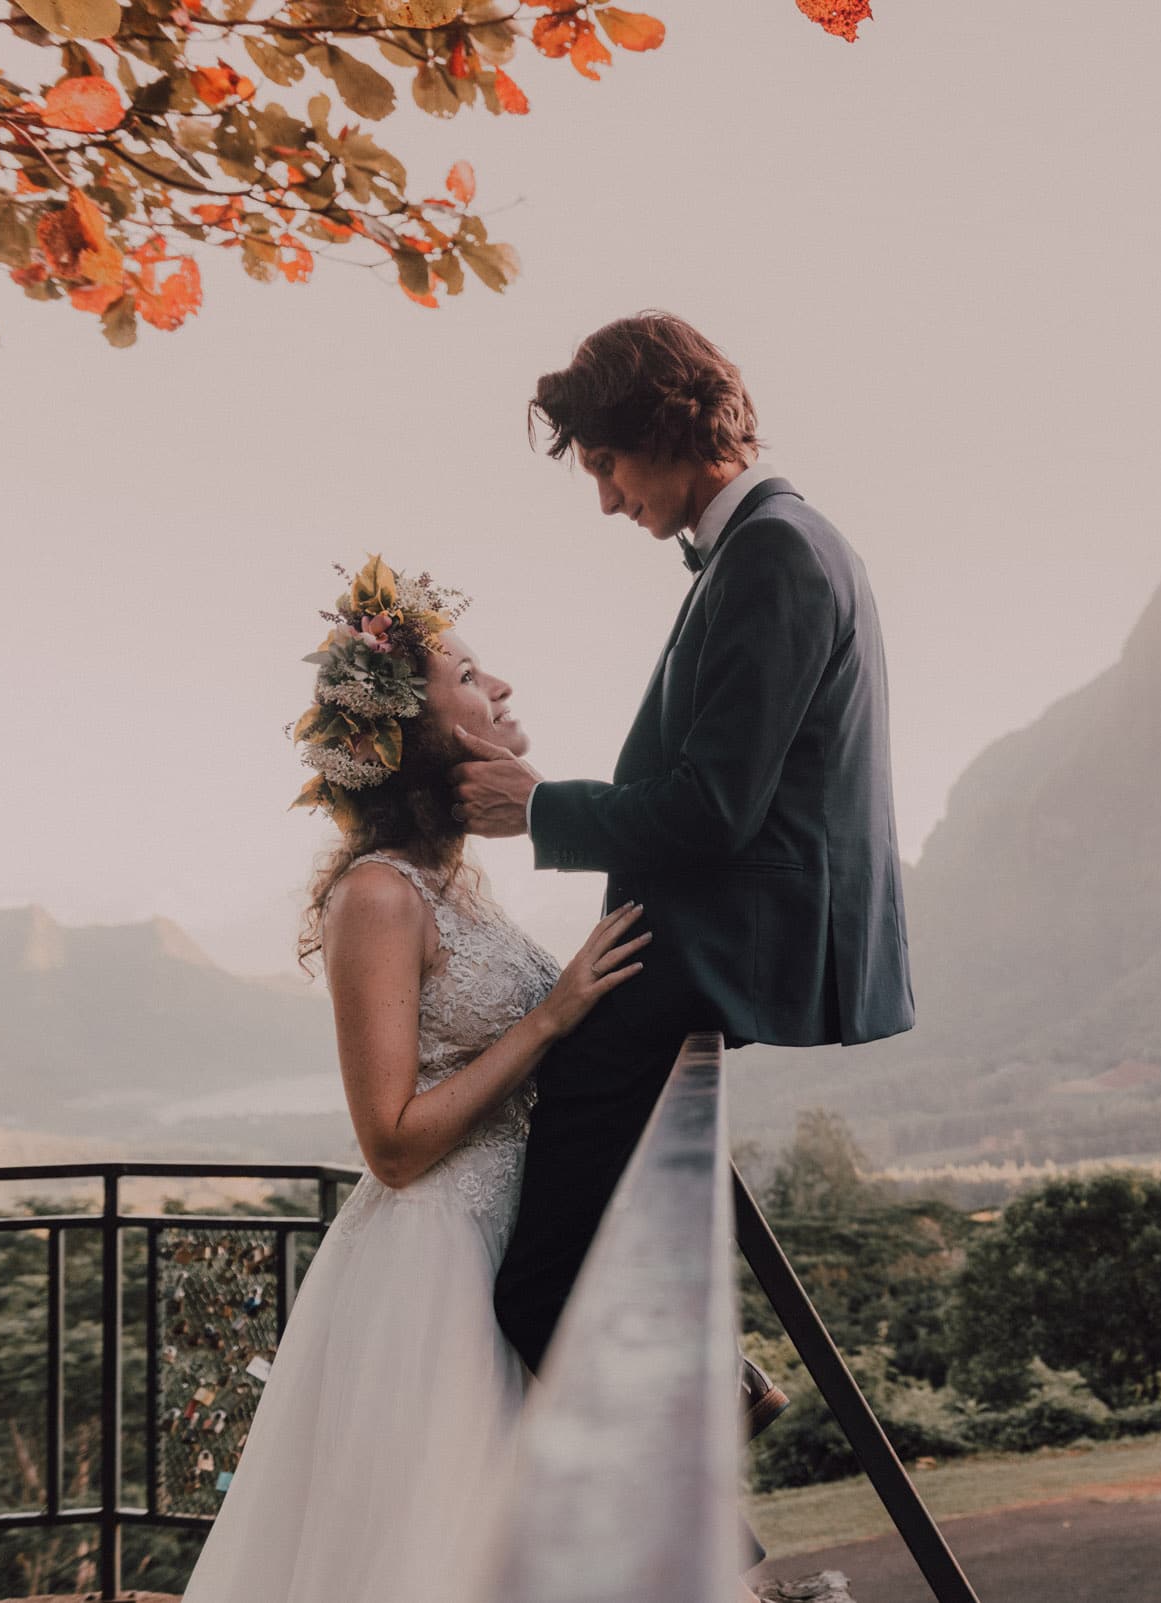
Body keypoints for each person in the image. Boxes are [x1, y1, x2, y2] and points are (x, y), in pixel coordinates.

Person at [451, 312, 914, 1391]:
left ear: (664, 427)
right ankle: (713, 1411)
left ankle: (701, 1496)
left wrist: (539, 810)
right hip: (715, 938)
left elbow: (714, 809)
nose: (607, 498)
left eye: (606, 464)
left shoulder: (776, 555)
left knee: (540, 1280)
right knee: (596, 1250)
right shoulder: (776, 546)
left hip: (717, 951)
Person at [183, 558, 647, 1603]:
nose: (505, 688)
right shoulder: (380, 898)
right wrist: (555, 1011)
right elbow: (390, 1143)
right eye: (473, 675)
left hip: (516, 1247)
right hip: (436, 1270)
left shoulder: (459, 884)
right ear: (410, 733)